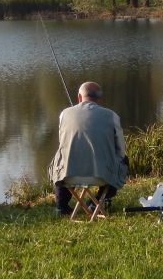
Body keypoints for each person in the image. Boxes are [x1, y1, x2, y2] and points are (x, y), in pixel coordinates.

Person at [49, 81, 128, 215]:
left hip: (68, 176)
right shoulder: (112, 116)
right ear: (99, 99)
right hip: (103, 177)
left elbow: (62, 143)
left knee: (61, 157)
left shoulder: (64, 114)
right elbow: (121, 150)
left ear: (79, 97)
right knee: (124, 160)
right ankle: (100, 200)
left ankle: (61, 205)